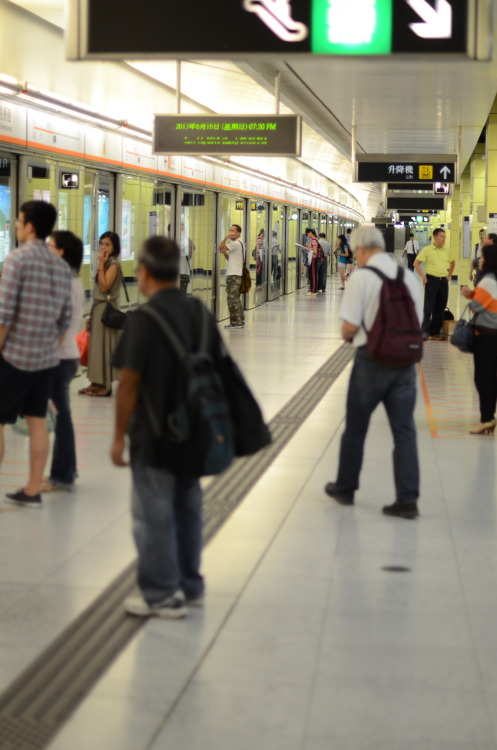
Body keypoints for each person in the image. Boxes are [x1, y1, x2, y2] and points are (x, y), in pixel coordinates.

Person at [111, 236, 224, 618]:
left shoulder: (143, 319)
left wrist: (117, 437)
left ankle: (160, 593)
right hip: (195, 429)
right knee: (188, 506)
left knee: (153, 513)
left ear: (142, 272)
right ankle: (190, 585)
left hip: (155, 433)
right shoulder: (199, 311)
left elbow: (127, 384)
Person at [324, 226, 422, 519]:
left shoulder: (361, 277)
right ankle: (407, 499)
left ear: (363, 250)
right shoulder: (408, 277)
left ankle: (345, 487)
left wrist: (348, 336)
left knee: (356, 426)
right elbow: (416, 320)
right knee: (404, 430)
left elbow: (349, 328)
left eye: (356, 252)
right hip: (405, 362)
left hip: (371, 360)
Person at [0, 201, 72, 508]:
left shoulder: (17, 259)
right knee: (37, 419)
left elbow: (4, 314)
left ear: (30, 226)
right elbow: (66, 317)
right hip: (46, 359)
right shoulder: (59, 264)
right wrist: (48, 347)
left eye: (18, 221)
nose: (16, 226)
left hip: (14, 356)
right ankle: (32, 489)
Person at [42, 231, 85, 492]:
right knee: (62, 415)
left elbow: (57, 325)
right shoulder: (70, 280)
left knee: (62, 416)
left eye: (50, 245)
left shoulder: (65, 283)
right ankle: (67, 468)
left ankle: (62, 475)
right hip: (65, 356)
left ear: (60, 253)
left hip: (60, 357)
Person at [461, 239, 497, 435]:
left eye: (482, 257)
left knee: (483, 377)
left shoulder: (488, 280)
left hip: (486, 336)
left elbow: (477, 306)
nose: (479, 260)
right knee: (491, 377)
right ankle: (489, 417)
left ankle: (486, 419)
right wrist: (472, 293)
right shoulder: (493, 280)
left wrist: (472, 296)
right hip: (493, 334)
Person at [80, 231, 122, 397]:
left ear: (114, 248)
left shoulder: (113, 265)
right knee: (96, 347)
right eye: (101, 243)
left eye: (107, 244)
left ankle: (105, 386)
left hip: (107, 311)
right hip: (98, 308)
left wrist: (100, 264)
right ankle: (95, 382)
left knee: (105, 347)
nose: (103, 247)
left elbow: (104, 287)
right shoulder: (105, 264)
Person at [414, 228, 455, 340]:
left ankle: (435, 331)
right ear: (435, 237)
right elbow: (416, 263)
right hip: (431, 280)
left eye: (445, 237)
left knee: (440, 307)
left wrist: (449, 275)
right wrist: (423, 277)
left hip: (443, 282)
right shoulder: (427, 250)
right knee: (428, 307)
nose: (444, 239)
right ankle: (425, 331)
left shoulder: (447, 250)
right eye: (441, 236)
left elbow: (452, 262)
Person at [219, 224, 245, 329]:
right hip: (237, 274)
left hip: (234, 275)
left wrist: (225, 237)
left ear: (238, 233)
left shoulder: (235, 243)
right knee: (236, 299)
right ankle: (240, 321)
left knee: (232, 300)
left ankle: (236, 323)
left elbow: (220, 247)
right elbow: (231, 258)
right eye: (230, 230)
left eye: (233, 231)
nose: (231, 233)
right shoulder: (241, 243)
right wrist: (225, 254)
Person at [305, 228, 320, 296]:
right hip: (313, 259)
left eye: (307, 234)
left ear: (310, 232)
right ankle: (313, 289)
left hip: (313, 259)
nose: (307, 235)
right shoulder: (314, 240)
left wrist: (308, 249)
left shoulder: (314, 241)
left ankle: (313, 291)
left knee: (313, 275)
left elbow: (315, 252)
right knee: (311, 274)